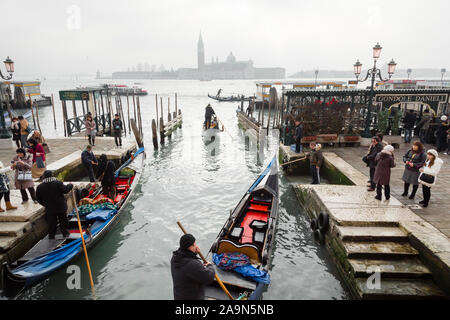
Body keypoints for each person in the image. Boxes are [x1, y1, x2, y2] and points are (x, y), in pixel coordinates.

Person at [171, 234, 215, 300]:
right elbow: (208, 277)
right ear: (190, 247)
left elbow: (188, 261)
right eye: (195, 244)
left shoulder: (175, 258)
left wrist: (194, 253)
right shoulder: (193, 264)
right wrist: (210, 266)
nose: (196, 246)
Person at [36, 170, 73, 239]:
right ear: (52, 176)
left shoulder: (40, 187)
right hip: (60, 206)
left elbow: (38, 199)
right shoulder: (58, 183)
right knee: (63, 220)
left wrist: (45, 204)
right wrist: (70, 185)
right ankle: (65, 233)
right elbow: (66, 190)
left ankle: (51, 236)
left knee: (52, 223)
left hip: (50, 208)